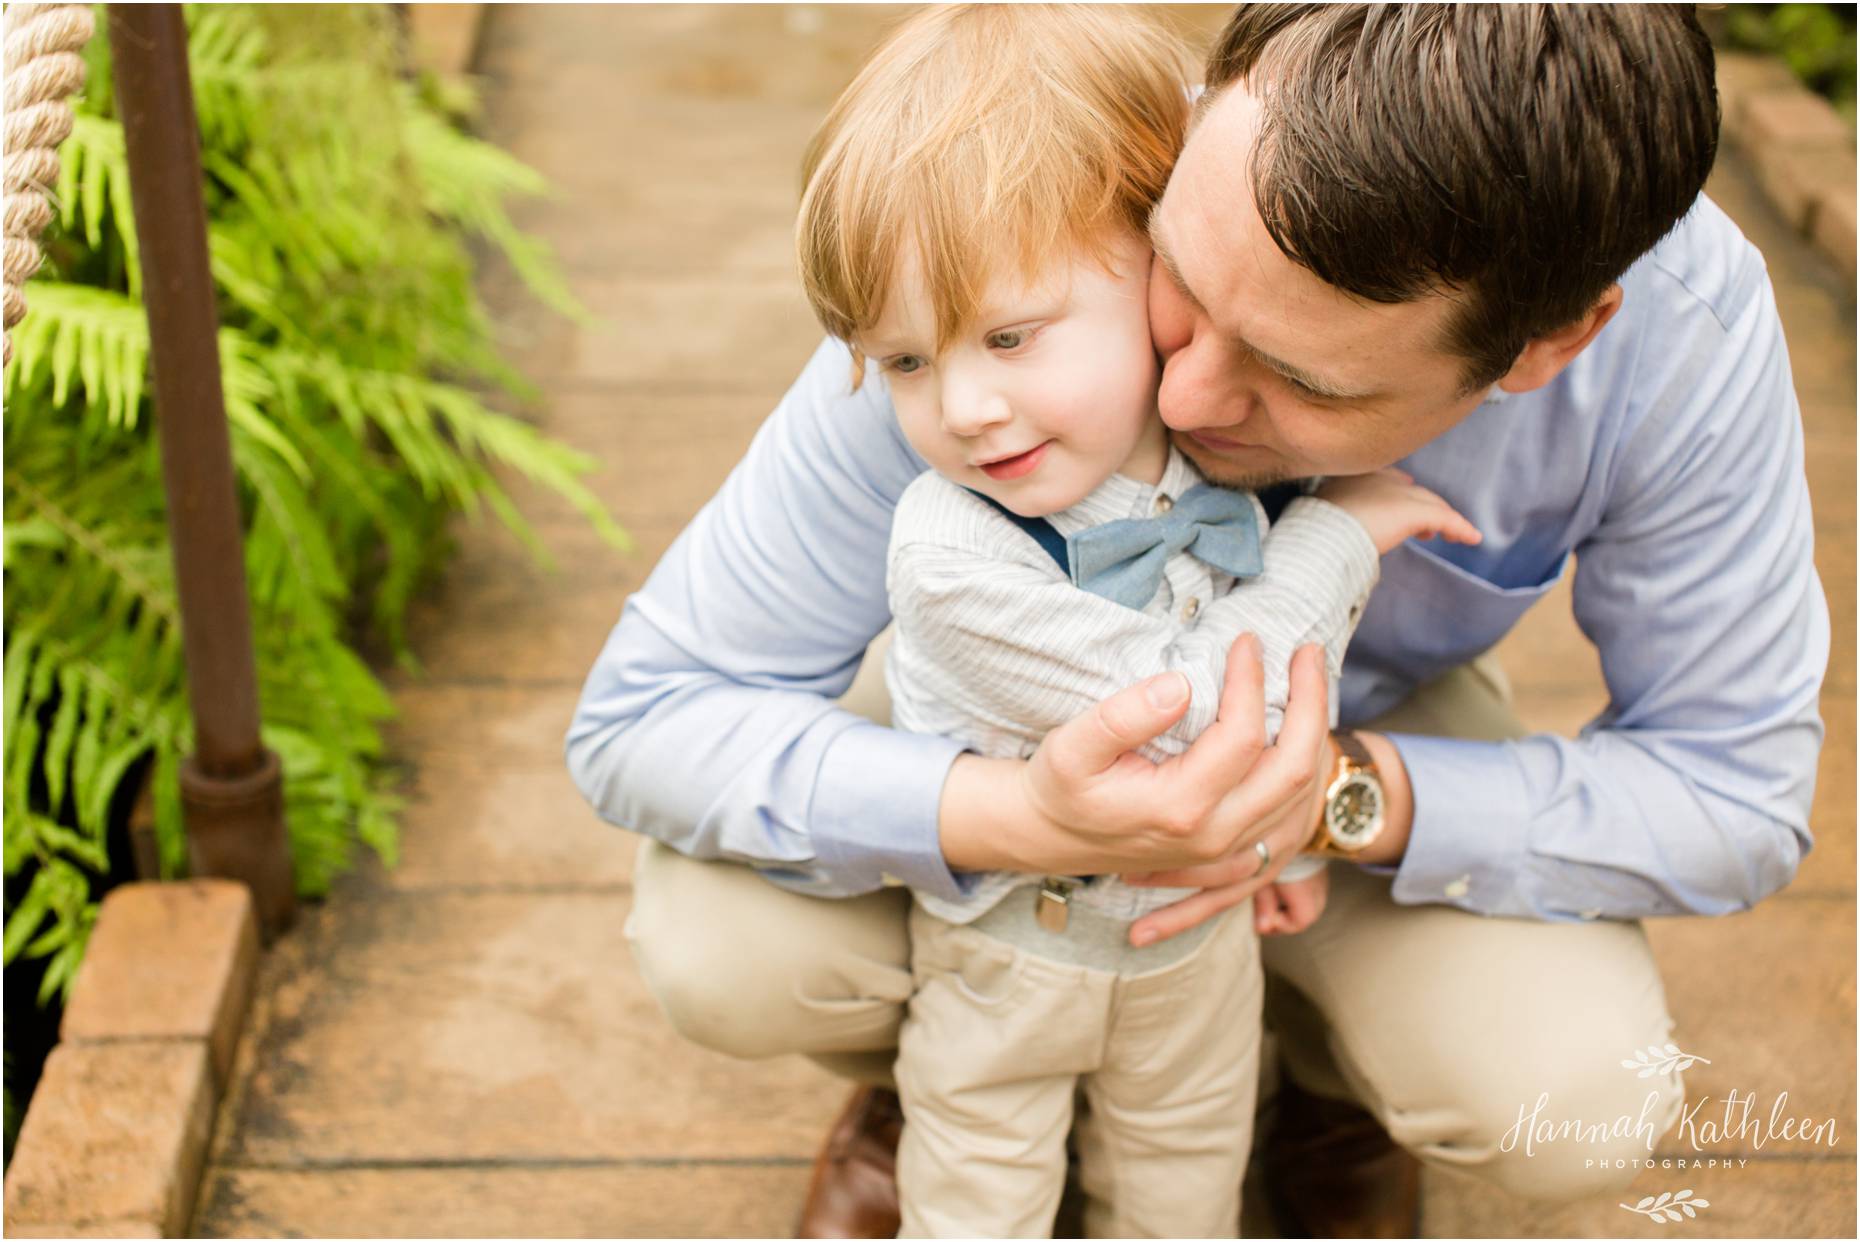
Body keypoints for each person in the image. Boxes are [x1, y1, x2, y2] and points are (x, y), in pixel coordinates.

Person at [567, 4, 1829, 1236]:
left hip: (1363, 723)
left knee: (1580, 1098)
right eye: (1181, 273)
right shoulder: (1024, 216)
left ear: (1547, 345)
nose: (1186, 386)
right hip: (1011, 720)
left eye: (1304, 378)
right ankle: (944, 1081)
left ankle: (1324, 1095)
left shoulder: (1681, 343)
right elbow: (647, 713)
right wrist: (1009, 818)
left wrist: (1337, 796)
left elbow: (1734, 793)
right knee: (719, 942)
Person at [789, 7, 1483, 1234]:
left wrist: (1300, 841)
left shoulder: (1224, 449)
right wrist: (1331, 544)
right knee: (980, 1190)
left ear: (1156, 264)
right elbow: (1206, 712)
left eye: (1010, 336)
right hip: (1016, 954)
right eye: (903, 363)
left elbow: (1279, 710)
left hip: (1192, 954)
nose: (963, 407)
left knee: (1181, 1182)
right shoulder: (949, 546)